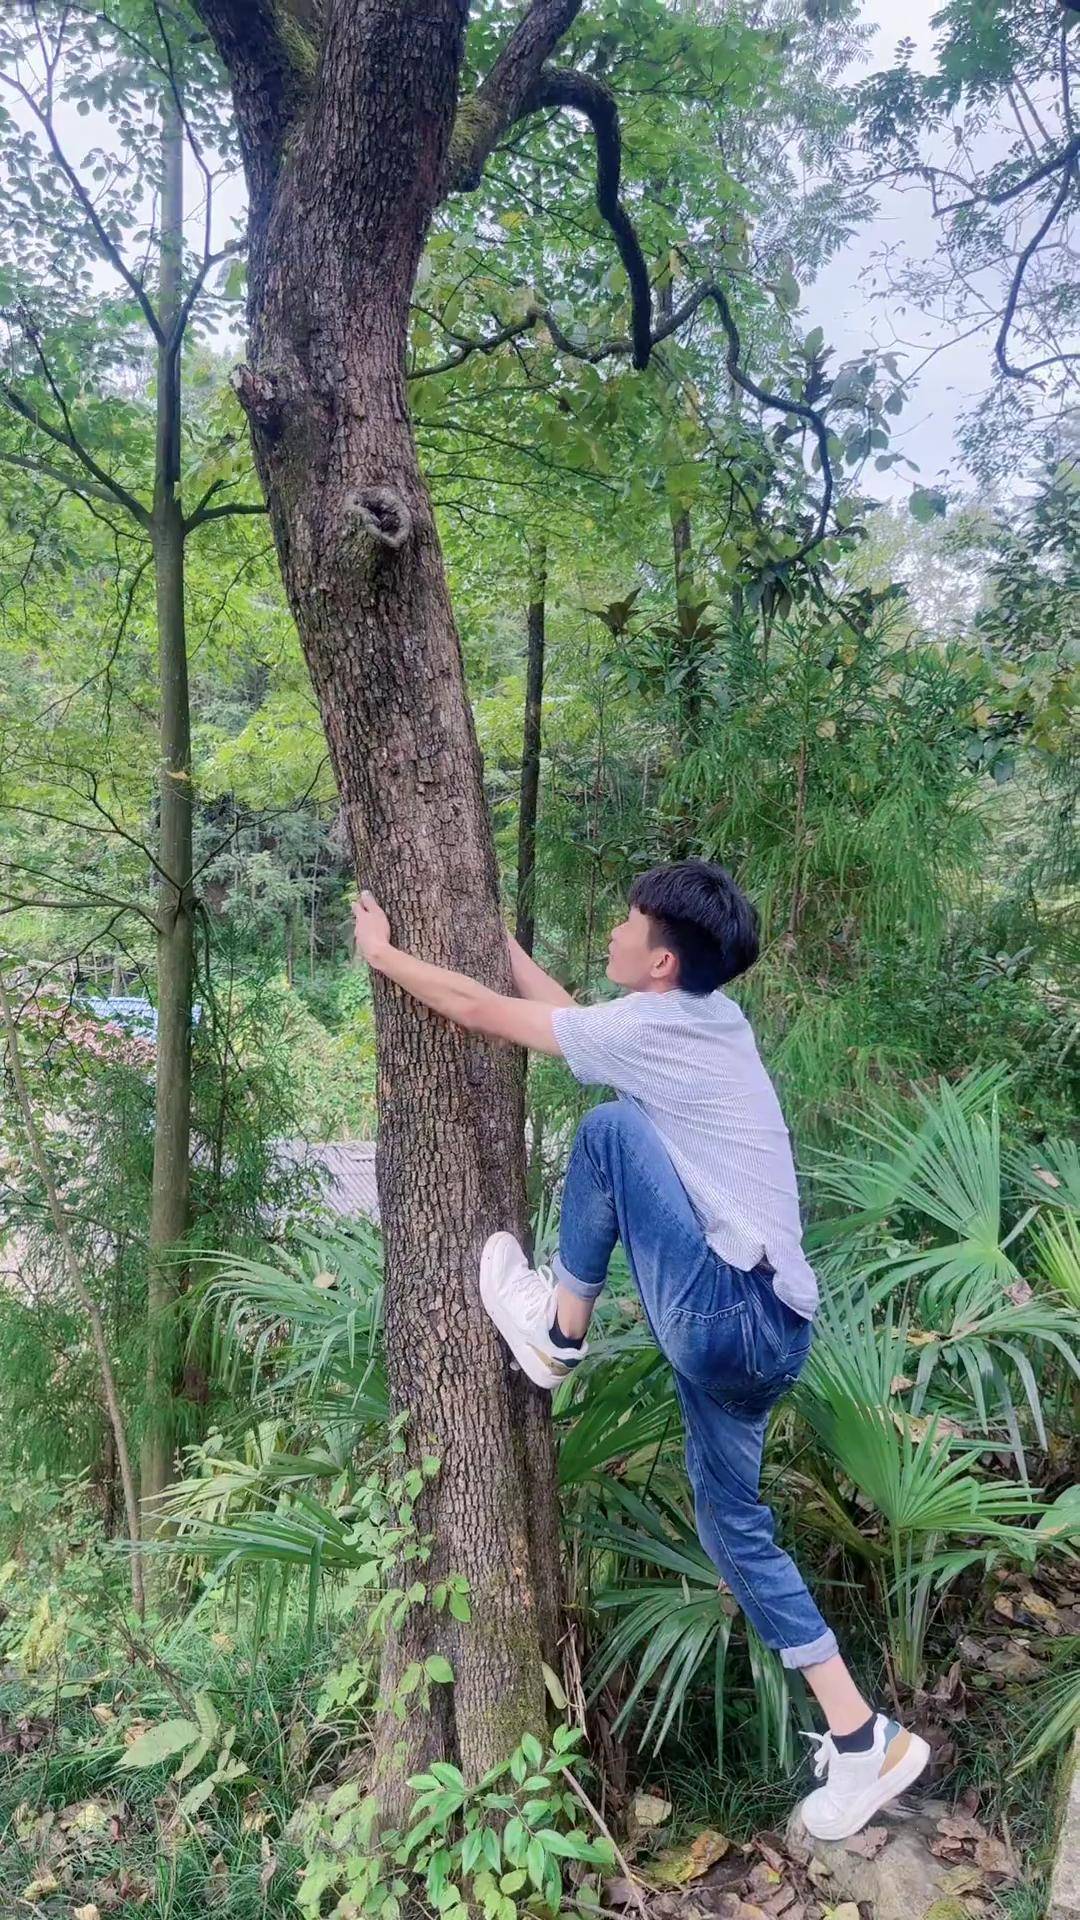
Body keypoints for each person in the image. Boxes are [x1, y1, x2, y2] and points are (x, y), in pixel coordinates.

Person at [351, 859, 929, 1839]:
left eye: (627, 922)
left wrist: (385, 954)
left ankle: (554, 1335)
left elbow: (486, 1019)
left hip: (731, 1315)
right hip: (771, 1337)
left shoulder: (663, 1027)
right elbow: (578, 1021)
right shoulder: (700, 1022)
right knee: (734, 1532)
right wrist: (497, 944)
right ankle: (863, 1734)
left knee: (611, 1135)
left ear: (661, 962)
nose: (614, 931)